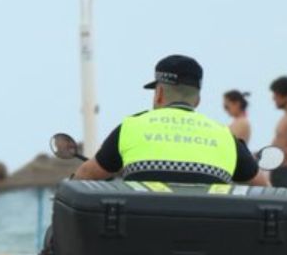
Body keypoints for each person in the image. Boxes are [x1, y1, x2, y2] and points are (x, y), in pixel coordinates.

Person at [74, 55, 265, 186]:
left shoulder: (131, 128)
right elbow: (263, 187)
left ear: (159, 94)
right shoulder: (226, 138)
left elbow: (84, 176)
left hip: (139, 241)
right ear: (197, 100)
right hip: (208, 242)